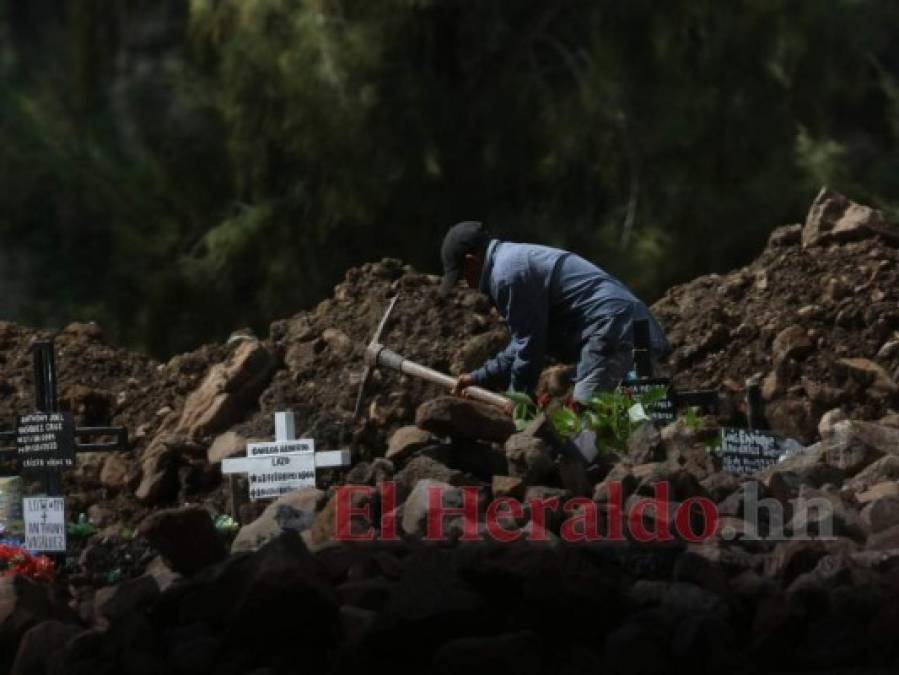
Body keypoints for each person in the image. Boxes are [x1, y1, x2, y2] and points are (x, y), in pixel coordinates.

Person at [439, 221, 670, 407]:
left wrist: (516, 399)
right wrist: (478, 377)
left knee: (589, 426)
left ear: (471, 261)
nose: (468, 285)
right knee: (644, 417)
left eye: (462, 277)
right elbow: (522, 345)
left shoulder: (506, 275)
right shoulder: (512, 262)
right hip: (633, 324)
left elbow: (530, 347)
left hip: (612, 329)